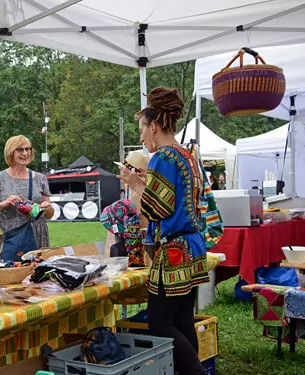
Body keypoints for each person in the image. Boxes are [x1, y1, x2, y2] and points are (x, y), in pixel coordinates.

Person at [118, 87, 209, 375]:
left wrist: (135, 186)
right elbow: (178, 199)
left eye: (142, 130)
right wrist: (146, 183)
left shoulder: (163, 158)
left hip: (174, 252)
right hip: (192, 246)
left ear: (154, 126)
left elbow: (158, 210)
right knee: (182, 320)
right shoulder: (187, 155)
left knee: (159, 322)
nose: (142, 138)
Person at [0, 135, 54, 249]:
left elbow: (49, 214)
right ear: (10, 152)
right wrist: (4, 203)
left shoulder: (40, 178)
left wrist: (48, 207)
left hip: (36, 237)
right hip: (9, 237)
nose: (25, 153)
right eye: (20, 149)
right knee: (9, 267)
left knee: (36, 267)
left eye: (28, 149)